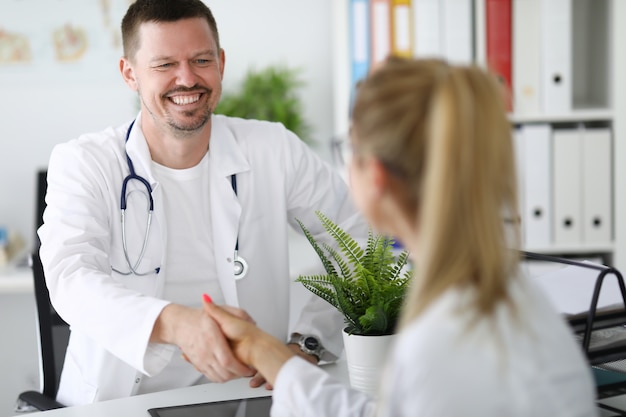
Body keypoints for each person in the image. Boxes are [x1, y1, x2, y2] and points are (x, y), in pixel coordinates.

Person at [202, 57, 599, 416]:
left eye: (348, 150)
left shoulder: (441, 343)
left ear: (374, 177)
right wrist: (270, 355)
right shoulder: (505, 297)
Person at [37, 0, 367, 407]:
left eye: (201, 59)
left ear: (221, 63)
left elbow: (354, 239)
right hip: (119, 403)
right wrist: (174, 323)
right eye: (163, 65)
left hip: (247, 397)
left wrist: (309, 343)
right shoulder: (85, 162)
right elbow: (70, 277)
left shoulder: (273, 148)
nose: (187, 79)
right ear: (130, 74)